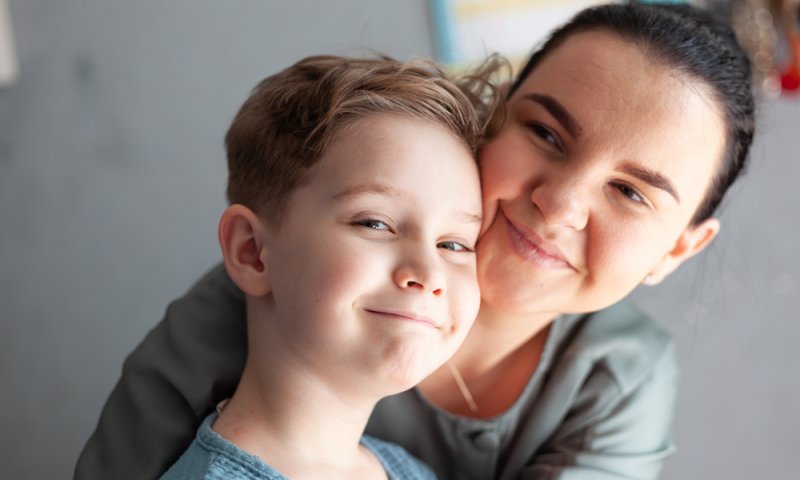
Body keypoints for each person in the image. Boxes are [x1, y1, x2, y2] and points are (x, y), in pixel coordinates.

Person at [75, 3, 756, 480]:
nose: (560, 204)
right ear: (493, 118)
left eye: (632, 193)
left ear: (678, 250)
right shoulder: (271, 292)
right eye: (545, 134)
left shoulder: (618, 384)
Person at [155, 53, 504, 480]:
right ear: (251, 251)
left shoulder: (412, 473)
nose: (428, 274)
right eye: (375, 223)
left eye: (454, 243)